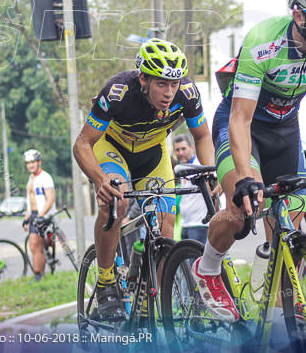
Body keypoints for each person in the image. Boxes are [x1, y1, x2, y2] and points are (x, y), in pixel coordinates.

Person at [192, 0, 306, 322]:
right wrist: (244, 176)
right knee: (242, 207)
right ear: (299, 15)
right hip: (242, 124)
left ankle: (283, 301)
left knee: (292, 229)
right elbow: (240, 118)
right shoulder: (263, 42)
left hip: (285, 130)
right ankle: (207, 267)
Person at [73, 38, 215, 318]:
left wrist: (208, 171)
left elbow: (203, 136)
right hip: (112, 149)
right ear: (143, 79)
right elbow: (82, 144)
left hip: (153, 154)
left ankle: (163, 306)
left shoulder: (187, 92)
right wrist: (101, 180)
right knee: (117, 199)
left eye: (173, 84)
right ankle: (105, 281)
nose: (169, 92)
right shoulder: (118, 92)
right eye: (161, 84)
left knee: (166, 225)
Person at [21, 149, 55, 283]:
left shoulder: (45, 177)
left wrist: (41, 215)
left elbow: (50, 198)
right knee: (36, 246)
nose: (30, 165)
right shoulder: (31, 178)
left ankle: (38, 275)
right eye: (28, 163)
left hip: (43, 214)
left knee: (35, 245)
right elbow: (31, 200)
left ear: (39, 162)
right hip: (34, 214)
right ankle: (40, 271)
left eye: (33, 162)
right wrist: (27, 217)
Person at [173, 134, 209, 245]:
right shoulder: (182, 169)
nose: (180, 153)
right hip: (185, 224)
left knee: (197, 261)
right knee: (186, 261)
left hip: (200, 224)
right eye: (177, 150)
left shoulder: (199, 166)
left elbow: (211, 192)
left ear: (192, 148)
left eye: (184, 149)